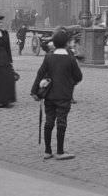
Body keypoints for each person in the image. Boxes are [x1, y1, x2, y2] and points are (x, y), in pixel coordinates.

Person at [31, 28, 83, 160]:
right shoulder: (70, 58)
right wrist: (71, 83)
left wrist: (34, 91)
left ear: (53, 43)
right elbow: (78, 76)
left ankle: (47, 151)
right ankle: (60, 151)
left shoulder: (48, 57)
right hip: (64, 95)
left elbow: (40, 74)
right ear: (66, 43)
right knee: (61, 122)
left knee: (49, 122)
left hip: (49, 95)